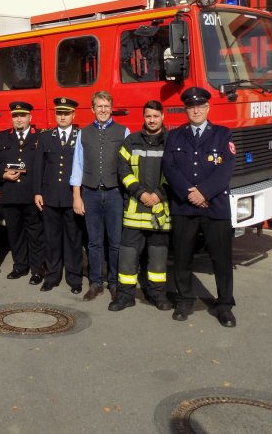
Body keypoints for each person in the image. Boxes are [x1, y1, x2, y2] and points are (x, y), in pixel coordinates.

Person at [163, 87, 237, 327]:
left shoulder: (223, 135)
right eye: (191, 107)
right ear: (186, 109)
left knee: (221, 259)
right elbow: (170, 168)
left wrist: (203, 192)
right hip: (184, 206)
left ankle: (224, 305)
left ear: (207, 108)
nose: (196, 110)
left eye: (200, 106)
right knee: (183, 257)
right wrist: (189, 194)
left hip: (215, 206)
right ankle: (184, 300)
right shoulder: (174, 136)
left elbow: (225, 169)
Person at [109, 100, 173, 312]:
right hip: (135, 210)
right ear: (143, 117)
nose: (152, 120)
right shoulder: (131, 141)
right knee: (127, 256)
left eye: (155, 116)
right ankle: (125, 296)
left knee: (158, 257)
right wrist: (141, 193)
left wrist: (158, 194)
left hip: (159, 210)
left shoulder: (171, 142)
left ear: (162, 116)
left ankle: (158, 295)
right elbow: (123, 171)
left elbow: (176, 173)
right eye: (148, 116)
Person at [70, 91, 129, 301]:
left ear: (111, 108)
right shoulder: (83, 133)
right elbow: (77, 165)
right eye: (99, 106)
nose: (103, 110)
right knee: (94, 243)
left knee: (115, 242)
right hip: (91, 193)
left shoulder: (124, 132)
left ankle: (114, 283)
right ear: (93, 109)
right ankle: (95, 283)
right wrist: (77, 196)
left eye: (106, 106)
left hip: (115, 193)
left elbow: (129, 166)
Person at [0, 101, 44, 285]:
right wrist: (3, 174)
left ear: (30, 117)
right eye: (15, 115)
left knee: (35, 234)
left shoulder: (40, 137)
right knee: (15, 233)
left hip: (31, 194)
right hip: (10, 194)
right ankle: (20, 266)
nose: (19, 119)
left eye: (22, 115)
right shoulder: (2, 137)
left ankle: (37, 270)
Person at [33, 98, 82, 294]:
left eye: (66, 113)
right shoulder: (46, 137)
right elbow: (39, 166)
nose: (62, 116)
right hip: (50, 195)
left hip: (72, 197)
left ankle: (74, 278)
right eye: (59, 113)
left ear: (73, 115)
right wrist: (37, 191)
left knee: (73, 239)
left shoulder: (80, 136)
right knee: (51, 239)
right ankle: (51, 276)